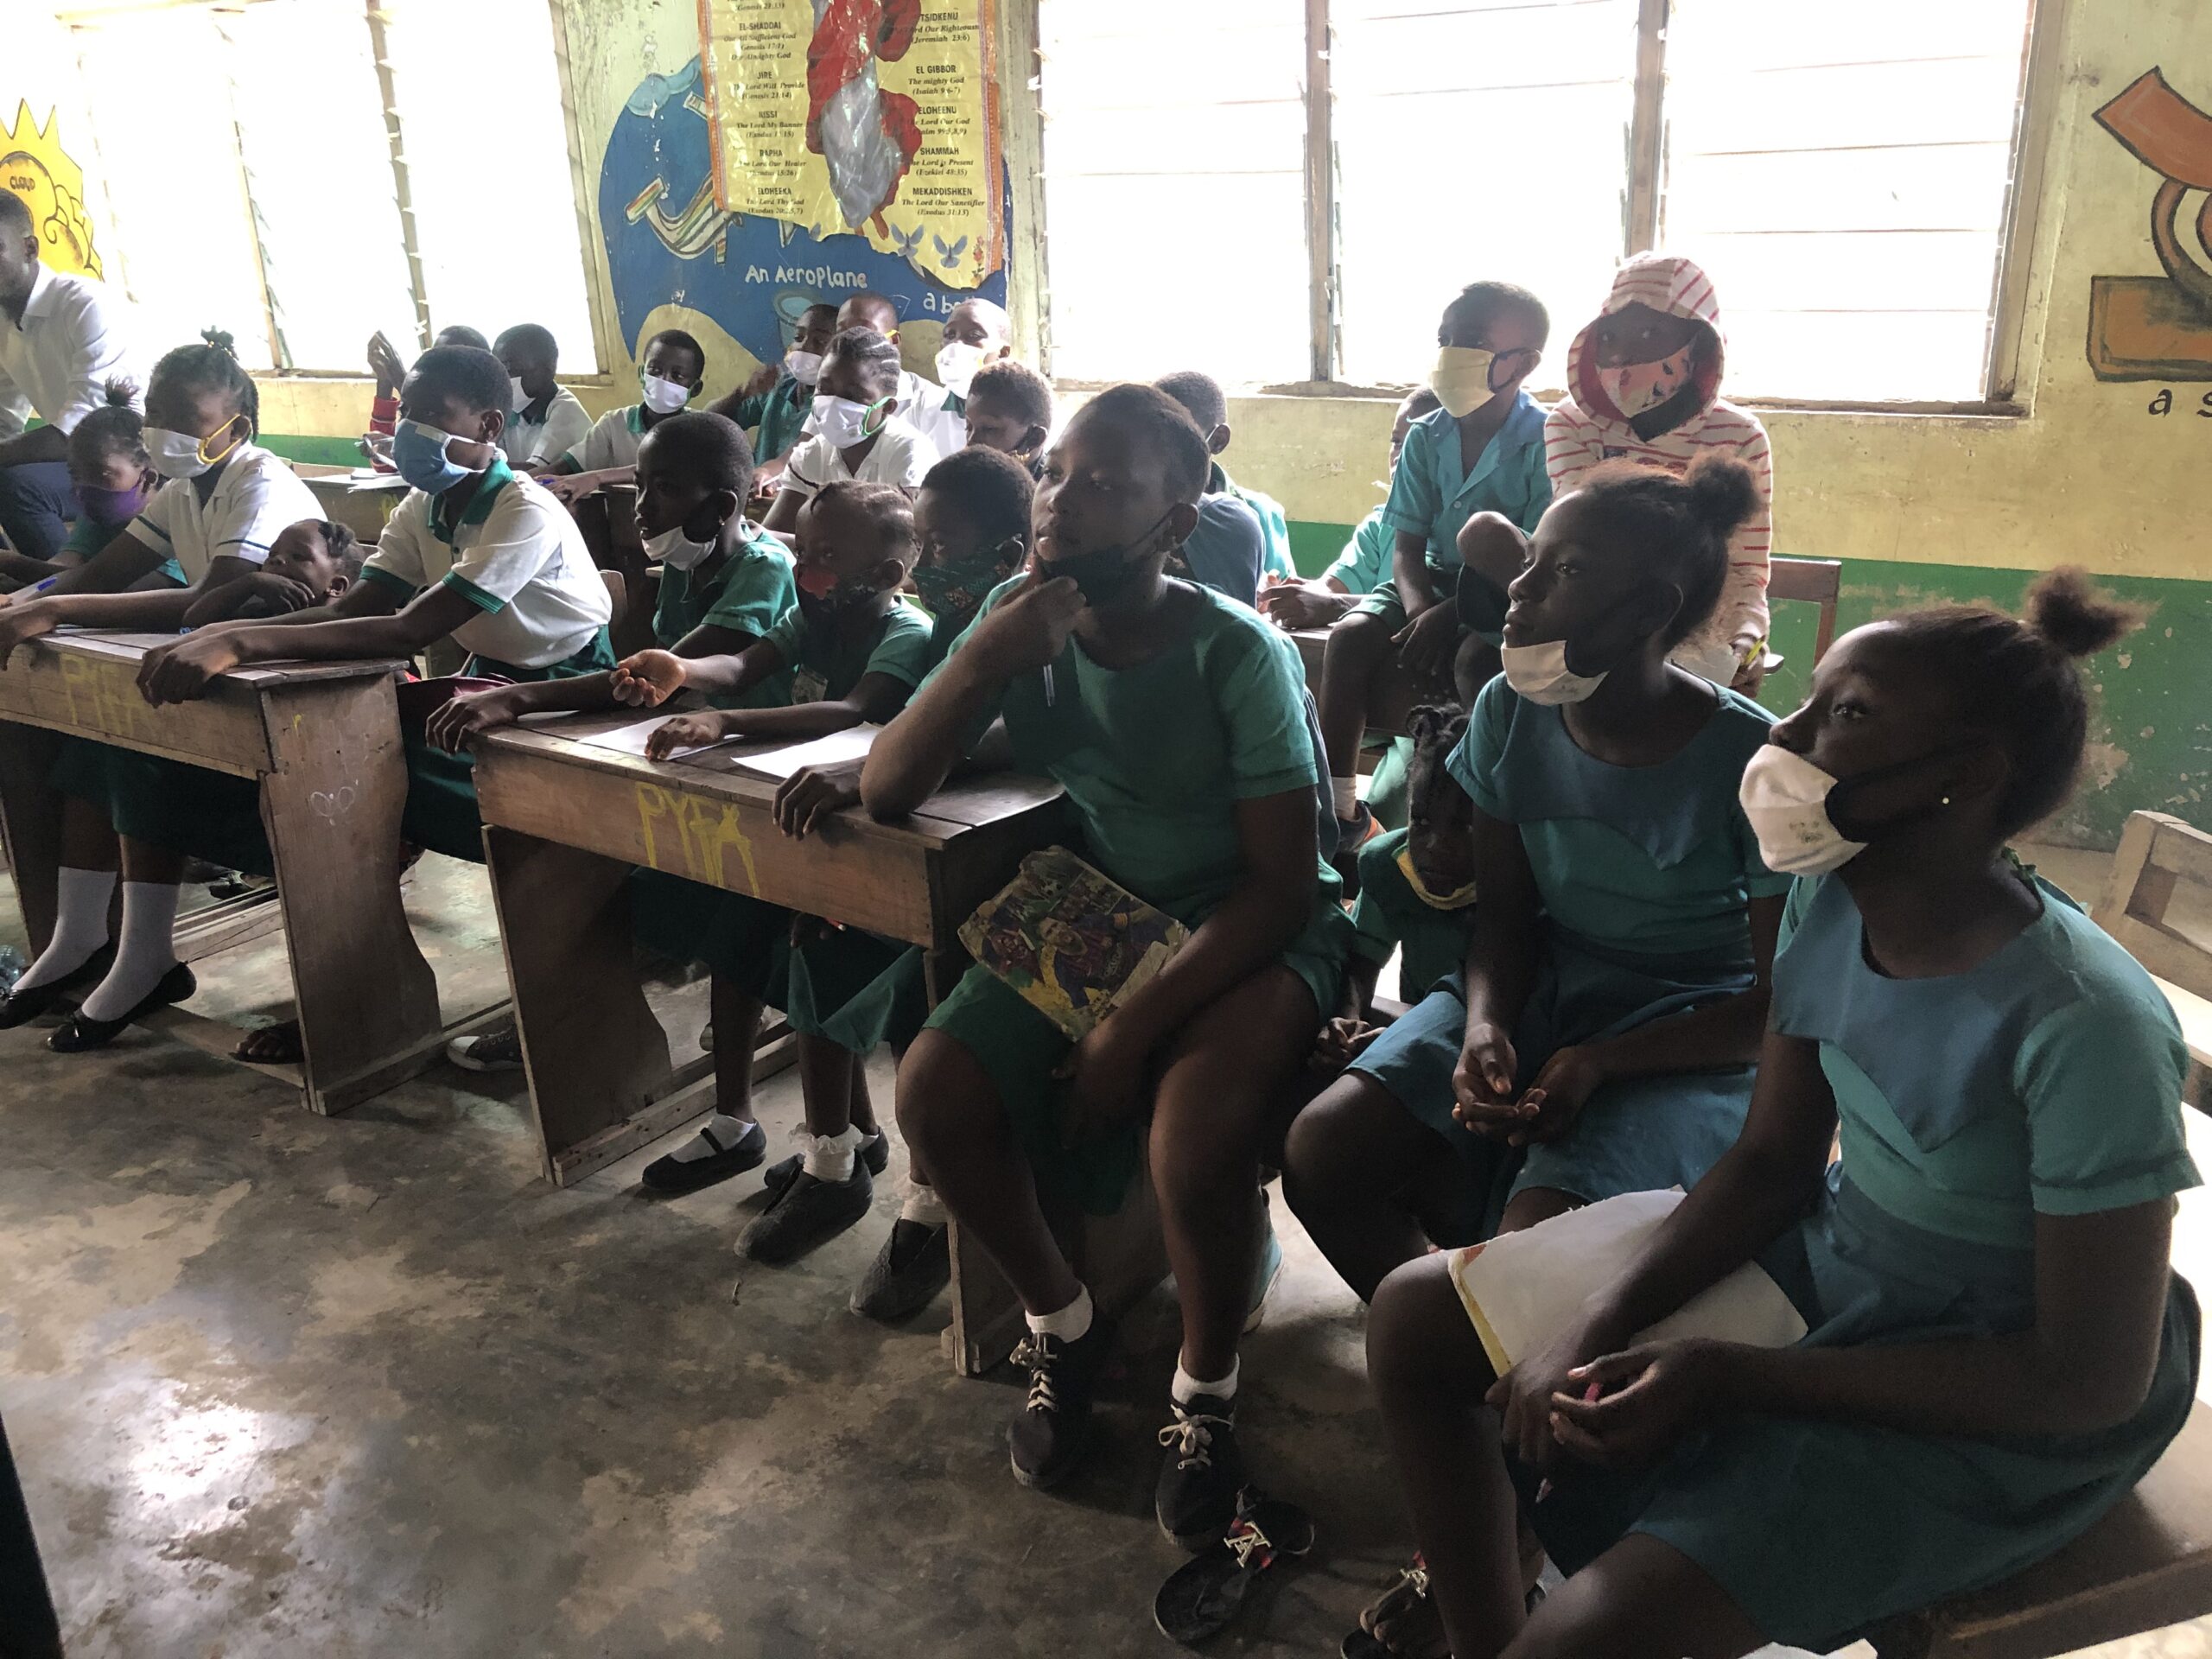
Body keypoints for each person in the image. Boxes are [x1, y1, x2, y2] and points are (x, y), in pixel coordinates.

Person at [1357, 570, 2200, 1659]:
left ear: (1963, 778)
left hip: (1999, 1376)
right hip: (1839, 1256)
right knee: (1414, 1318)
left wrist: (1727, 1374)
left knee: (1589, 1634)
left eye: (1843, 715)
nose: (1782, 735)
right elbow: (1769, 1164)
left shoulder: (2083, 1021)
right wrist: (1599, 1316)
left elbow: (2085, 1378)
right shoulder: (1826, 895)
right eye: (1808, 700)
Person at [862, 384, 1351, 1541]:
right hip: (1110, 906)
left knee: (1192, 1135)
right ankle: (1064, 1325)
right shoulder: (1017, 620)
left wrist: (1127, 1032)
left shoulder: (1235, 651)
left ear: (1174, 523)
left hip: (1252, 921)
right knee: (934, 1094)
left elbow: (1282, 885)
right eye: (1056, 476)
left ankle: (1205, 1391)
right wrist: (980, 662)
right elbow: (886, 789)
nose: (1060, 504)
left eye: (1104, 486)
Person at [1284, 456, 1787, 1310]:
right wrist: (1485, 1026)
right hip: (1546, 982)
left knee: (1532, 1254)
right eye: (1530, 562)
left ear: (1649, 611)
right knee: (1321, 1151)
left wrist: (1602, 1062)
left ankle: (1483, 1338)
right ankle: (1449, 1348)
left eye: (1566, 571)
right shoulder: (1509, 711)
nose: (1519, 589)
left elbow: (1778, 1008)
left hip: (1690, 1025)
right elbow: (1506, 922)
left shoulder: (1749, 760)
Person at [108, 345, 613, 1063]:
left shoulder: (522, 510)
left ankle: (562, 1002)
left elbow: (409, 629)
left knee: (408, 800)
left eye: (431, 415)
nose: (408, 429)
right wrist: (231, 635)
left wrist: (242, 642)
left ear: (489, 426)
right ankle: (359, 996)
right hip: (490, 685)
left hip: (572, 698)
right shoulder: (424, 506)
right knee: (343, 795)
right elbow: (361, 606)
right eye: (406, 411)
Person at [588, 481, 937, 1262]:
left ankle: (854, 1149)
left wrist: (723, 720)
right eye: (802, 549)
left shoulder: (905, 630)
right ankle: (762, 1124)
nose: (805, 567)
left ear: (885, 574)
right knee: (737, 933)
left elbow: (854, 711)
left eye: (827, 555)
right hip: (800, 815)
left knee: (824, 965)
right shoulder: (815, 613)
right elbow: (746, 663)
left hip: (870, 836)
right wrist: (684, 670)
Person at [423, 409, 796, 1091]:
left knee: (608, 881)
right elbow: (655, 682)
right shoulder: (687, 561)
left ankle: (750, 986)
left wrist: (519, 697)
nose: (643, 505)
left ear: (720, 507)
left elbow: (665, 672)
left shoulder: (763, 570)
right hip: (698, 756)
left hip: (765, 772)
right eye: (641, 484)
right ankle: (568, 1018)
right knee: (570, 861)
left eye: (665, 489)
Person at [1318, 283, 1553, 854]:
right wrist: (1421, 608)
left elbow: (1532, 562)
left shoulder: (1545, 441)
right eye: (1445, 338)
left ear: (1523, 364)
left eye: (1470, 340)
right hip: (1428, 580)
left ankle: (1477, 818)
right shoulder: (1426, 436)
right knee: (1348, 638)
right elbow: (1405, 547)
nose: (1450, 352)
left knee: (1478, 661)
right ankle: (1339, 810)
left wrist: (1453, 617)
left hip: (1506, 589)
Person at [1545, 252, 1774, 692]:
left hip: (1692, 619)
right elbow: (1579, 539)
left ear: (1698, 342)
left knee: (1699, 695)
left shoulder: (1739, 436)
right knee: (1486, 534)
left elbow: (1745, 567)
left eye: (1651, 333)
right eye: (1608, 336)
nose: (1621, 354)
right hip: (1591, 607)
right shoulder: (1570, 424)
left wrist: (1748, 635)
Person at [0, 189, 143, 565]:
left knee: (17, 486)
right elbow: (3, 416)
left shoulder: (85, 305)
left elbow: (81, 426)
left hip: (137, 466)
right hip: (82, 462)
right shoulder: (3, 322)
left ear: (29, 249)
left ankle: (65, 589)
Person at [1258, 389, 1440, 632]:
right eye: (1397, 443)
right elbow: (1331, 587)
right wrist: (1284, 593)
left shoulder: (1459, 528)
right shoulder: (1380, 525)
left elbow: (1433, 609)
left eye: (1419, 444)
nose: (1402, 456)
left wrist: (1338, 605)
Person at [760, 327, 938, 534]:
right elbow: (773, 537)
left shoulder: (909, 454)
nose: (833, 403)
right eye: (824, 389)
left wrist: (811, 546)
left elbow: (900, 544)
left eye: (852, 396)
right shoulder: (811, 455)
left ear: (887, 408)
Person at [0, 379, 149, 589]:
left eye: (101, 474)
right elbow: (63, 568)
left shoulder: (168, 524)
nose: (84, 487)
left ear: (149, 477)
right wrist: (23, 584)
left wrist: (14, 564)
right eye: (75, 475)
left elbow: (122, 591)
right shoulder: (96, 518)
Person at [1155, 371, 1294, 582]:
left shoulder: (1260, 514)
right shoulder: (1138, 507)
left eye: (1181, 439)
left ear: (1218, 440)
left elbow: (1282, 593)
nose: (1161, 451)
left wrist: (1271, 593)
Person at [539, 328, 708, 503]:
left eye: (677, 375)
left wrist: (596, 477)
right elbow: (564, 467)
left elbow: (659, 470)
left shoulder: (700, 430)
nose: (664, 380)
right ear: (641, 374)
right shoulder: (615, 423)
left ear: (695, 388)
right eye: (655, 370)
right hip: (624, 517)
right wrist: (524, 481)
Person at [912, 444, 1033, 667]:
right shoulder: (952, 616)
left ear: (1008, 555)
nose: (918, 566)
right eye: (918, 543)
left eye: (939, 544)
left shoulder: (1029, 642)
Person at [711, 301, 836, 492]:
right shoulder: (780, 387)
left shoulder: (837, 405)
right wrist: (743, 392)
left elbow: (801, 451)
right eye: (798, 337)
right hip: (756, 492)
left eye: (819, 342)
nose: (803, 346)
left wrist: (767, 473)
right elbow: (711, 421)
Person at [365, 324, 486, 467]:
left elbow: (445, 463)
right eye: (432, 357)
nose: (433, 366)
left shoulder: (479, 410)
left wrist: (404, 384)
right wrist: (385, 381)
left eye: (445, 360)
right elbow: (385, 466)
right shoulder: (427, 403)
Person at [908, 296, 1014, 456]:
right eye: (950, 335)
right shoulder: (924, 411)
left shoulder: (1023, 414)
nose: (956, 344)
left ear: (1002, 353)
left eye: (974, 335)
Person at [494, 323, 591, 469]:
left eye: (510, 368)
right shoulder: (508, 410)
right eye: (499, 369)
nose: (503, 378)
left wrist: (480, 467)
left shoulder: (566, 411)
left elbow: (537, 470)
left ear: (548, 368)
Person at [962, 359, 1053, 475]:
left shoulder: (1050, 487)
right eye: (968, 427)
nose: (970, 443)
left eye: (989, 429)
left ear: (1034, 438)